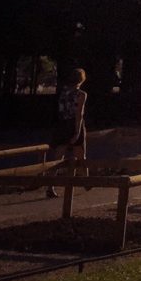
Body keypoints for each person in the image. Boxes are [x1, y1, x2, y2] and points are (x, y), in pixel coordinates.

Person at [46, 67, 87, 199]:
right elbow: (79, 114)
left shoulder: (63, 92)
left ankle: (50, 186)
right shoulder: (81, 94)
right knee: (81, 154)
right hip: (72, 124)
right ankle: (86, 181)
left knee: (58, 157)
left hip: (62, 124)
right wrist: (77, 131)